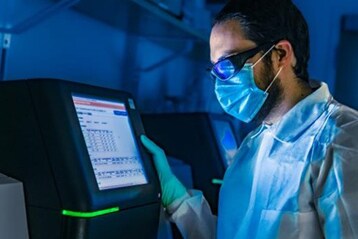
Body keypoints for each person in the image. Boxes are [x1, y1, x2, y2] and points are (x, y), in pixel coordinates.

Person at [141, 0, 358, 238]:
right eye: (215, 71)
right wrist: (179, 201)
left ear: (280, 55)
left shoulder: (342, 140)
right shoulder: (254, 145)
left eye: (228, 65)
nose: (221, 83)